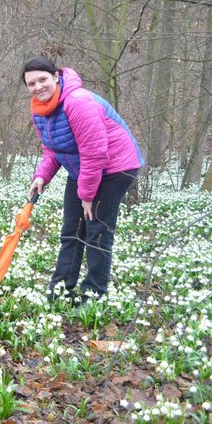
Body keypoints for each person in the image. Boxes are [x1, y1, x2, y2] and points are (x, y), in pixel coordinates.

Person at [22, 56, 143, 303]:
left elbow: (95, 153)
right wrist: (41, 175)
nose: (38, 87)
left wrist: (87, 195)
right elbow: (53, 150)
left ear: (56, 76)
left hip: (115, 167)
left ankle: (93, 293)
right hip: (83, 168)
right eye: (31, 83)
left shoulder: (78, 103)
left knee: (96, 229)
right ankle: (60, 289)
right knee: (71, 229)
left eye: (43, 79)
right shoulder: (40, 110)